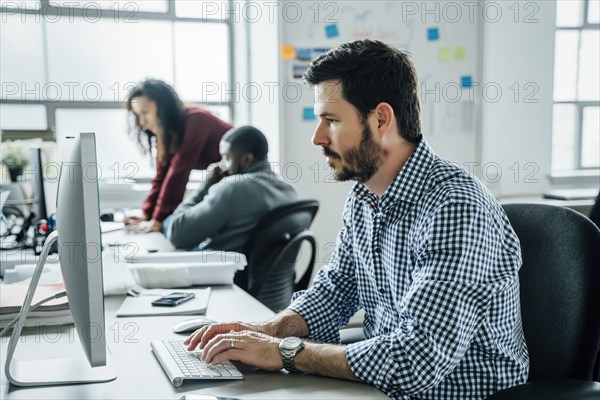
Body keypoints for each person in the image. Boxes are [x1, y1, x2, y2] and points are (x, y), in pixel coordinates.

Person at [184, 39, 529, 399]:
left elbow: (416, 360)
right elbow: (336, 289)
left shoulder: (456, 207)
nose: (317, 137)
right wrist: (269, 330)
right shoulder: (364, 197)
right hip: (382, 389)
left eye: (331, 120)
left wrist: (284, 352)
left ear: (381, 119)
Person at [166, 125, 298, 253]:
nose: (221, 164)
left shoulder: (232, 188)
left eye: (226, 157)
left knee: (167, 227)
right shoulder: (290, 190)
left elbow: (177, 235)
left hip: (224, 272)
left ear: (246, 159)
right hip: (271, 275)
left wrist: (207, 183)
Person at [124, 79, 232, 233]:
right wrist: (146, 214)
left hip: (247, 173)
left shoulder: (197, 120)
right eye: (138, 115)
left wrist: (158, 220)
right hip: (225, 178)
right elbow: (162, 176)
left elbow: (178, 173)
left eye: (145, 113)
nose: (142, 122)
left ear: (162, 108)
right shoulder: (166, 134)